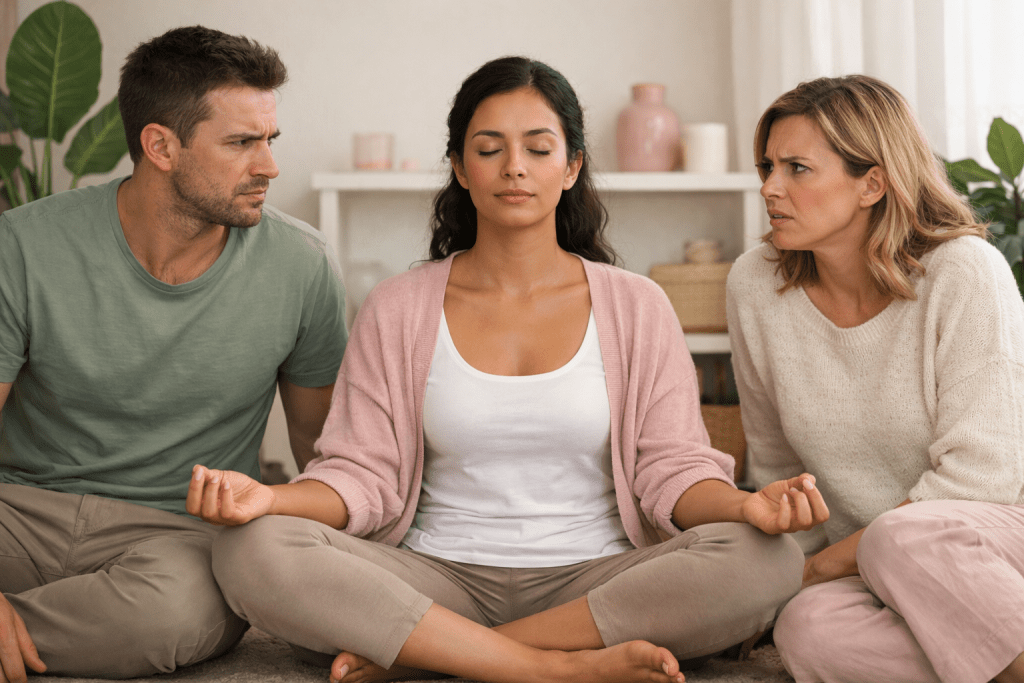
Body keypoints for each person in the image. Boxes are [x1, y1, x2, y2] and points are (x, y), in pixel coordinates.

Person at [190, 56, 826, 683]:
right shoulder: (400, 305)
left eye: (539, 149)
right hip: (435, 576)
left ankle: (438, 655)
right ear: (461, 169)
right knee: (251, 547)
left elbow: (673, 470)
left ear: (572, 165)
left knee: (764, 560)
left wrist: (748, 511)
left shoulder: (637, 306)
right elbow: (364, 474)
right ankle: (544, 667)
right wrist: (269, 499)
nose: (515, 168)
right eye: (489, 148)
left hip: (597, 582)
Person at [0, 25, 346, 681]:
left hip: (173, 535)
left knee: (183, 614)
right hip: (18, 510)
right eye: (242, 142)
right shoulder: (20, 243)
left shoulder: (303, 266)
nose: (270, 165)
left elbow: (323, 451)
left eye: (270, 140)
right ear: (160, 145)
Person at [726, 74, 1024, 683]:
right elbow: (776, 468)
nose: (769, 187)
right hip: (868, 563)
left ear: (873, 183)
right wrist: (783, 582)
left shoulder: (965, 271)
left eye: (797, 168)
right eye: (767, 166)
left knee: (900, 539)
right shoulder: (754, 284)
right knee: (808, 628)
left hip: (987, 537)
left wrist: (815, 570)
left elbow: (983, 480)